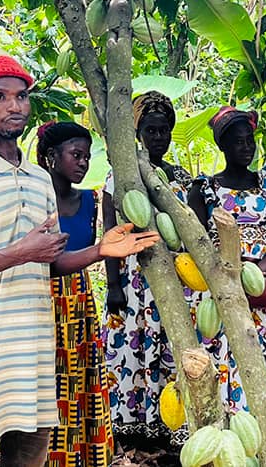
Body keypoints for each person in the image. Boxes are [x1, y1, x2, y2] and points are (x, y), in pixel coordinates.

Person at [0, 47, 158, 467]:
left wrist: (101, 250)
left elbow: (48, 263)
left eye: (21, 96)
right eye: (0, 97)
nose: (14, 107)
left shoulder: (39, 179)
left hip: (34, 359)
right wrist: (18, 252)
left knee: (28, 458)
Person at [103, 90, 193, 445]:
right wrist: (113, 285)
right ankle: (132, 426)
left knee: (171, 347)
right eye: (151, 131)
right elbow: (108, 232)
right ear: (138, 133)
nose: (158, 138)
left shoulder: (181, 176)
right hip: (135, 277)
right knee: (134, 347)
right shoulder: (122, 176)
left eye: (164, 131)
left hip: (175, 277)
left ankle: (166, 424)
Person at [188, 107, 266, 410]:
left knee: (260, 358)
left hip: (261, 287)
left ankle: (261, 432)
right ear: (222, 145)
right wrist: (227, 279)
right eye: (237, 141)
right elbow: (195, 244)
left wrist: (254, 276)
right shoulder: (203, 188)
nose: (246, 147)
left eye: (250, 140)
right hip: (217, 287)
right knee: (218, 357)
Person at [36, 121, 114, 466]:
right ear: (52, 157)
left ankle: (84, 455)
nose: (83, 163)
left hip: (79, 299)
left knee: (81, 376)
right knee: (49, 379)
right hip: (40, 298)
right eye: (75, 155)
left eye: (86, 156)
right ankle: (47, 457)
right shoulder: (34, 198)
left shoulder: (89, 200)